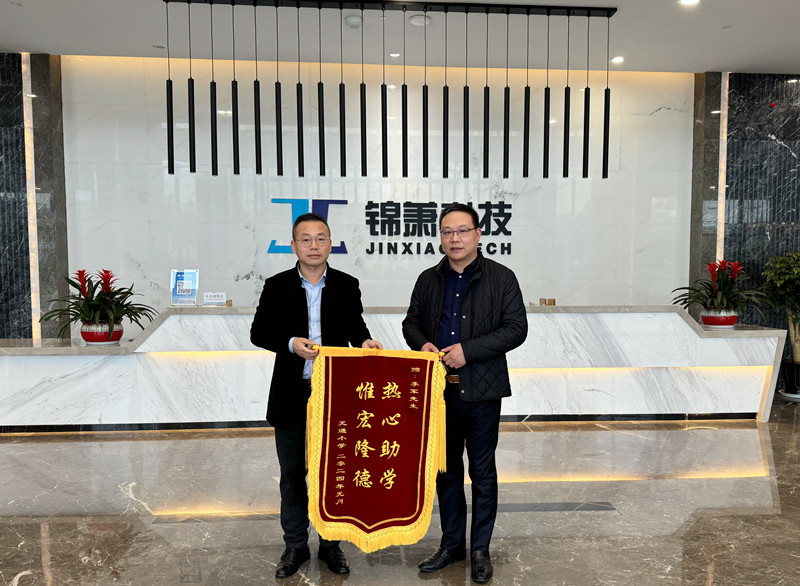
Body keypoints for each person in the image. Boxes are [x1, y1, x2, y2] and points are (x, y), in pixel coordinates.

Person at [251, 212, 383, 579]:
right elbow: (259, 332)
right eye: (306, 239)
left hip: (335, 395)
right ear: (293, 245)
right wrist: (290, 343)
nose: (314, 245)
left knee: (334, 472)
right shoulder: (276, 286)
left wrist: (364, 341)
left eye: (320, 238)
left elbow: (356, 327)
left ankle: (330, 545)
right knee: (293, 474)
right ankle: (295, 545)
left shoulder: (347, 284)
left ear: (331, 243)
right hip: (291, 393)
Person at [402, 203, 528, 584]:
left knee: (482, 472)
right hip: (439, 392)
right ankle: (452, 544)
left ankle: (480, 550)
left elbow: (516, 329)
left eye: (462, 231)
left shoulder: (501, 277)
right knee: (446, 471)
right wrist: (421, 343)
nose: (454, 238)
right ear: (440, 237)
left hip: (482, 391)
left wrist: (467, 351)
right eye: (447, 232)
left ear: (478, 234)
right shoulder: (429, 279)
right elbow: (411, 323)